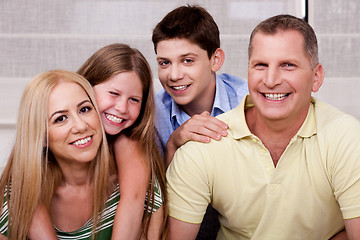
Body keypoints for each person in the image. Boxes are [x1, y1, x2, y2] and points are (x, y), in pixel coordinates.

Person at [165, 14, 360, 239]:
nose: (270, 79)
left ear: (316, 77)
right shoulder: (204, 144)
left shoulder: (347, 139)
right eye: (260, 65)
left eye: (288, 65)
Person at [152, 5, 248, 239]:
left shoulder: (248, 100)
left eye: (187, 60)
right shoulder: (152, 114)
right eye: (164, 63)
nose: (173, 75)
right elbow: (154, 201)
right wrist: (174, 145)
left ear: (215, 60)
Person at [0, 70, 118, 239]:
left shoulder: (135, 185)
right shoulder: (14, 199)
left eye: (85, 109)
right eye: (60, 119)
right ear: (41, 138)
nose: (80, 126)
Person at [77, 43, 167, 240]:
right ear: (87, 86)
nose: (122, 108)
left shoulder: (128, 142)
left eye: (134, 100)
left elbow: (133, 202)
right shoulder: (58, 136)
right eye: (114, 93)